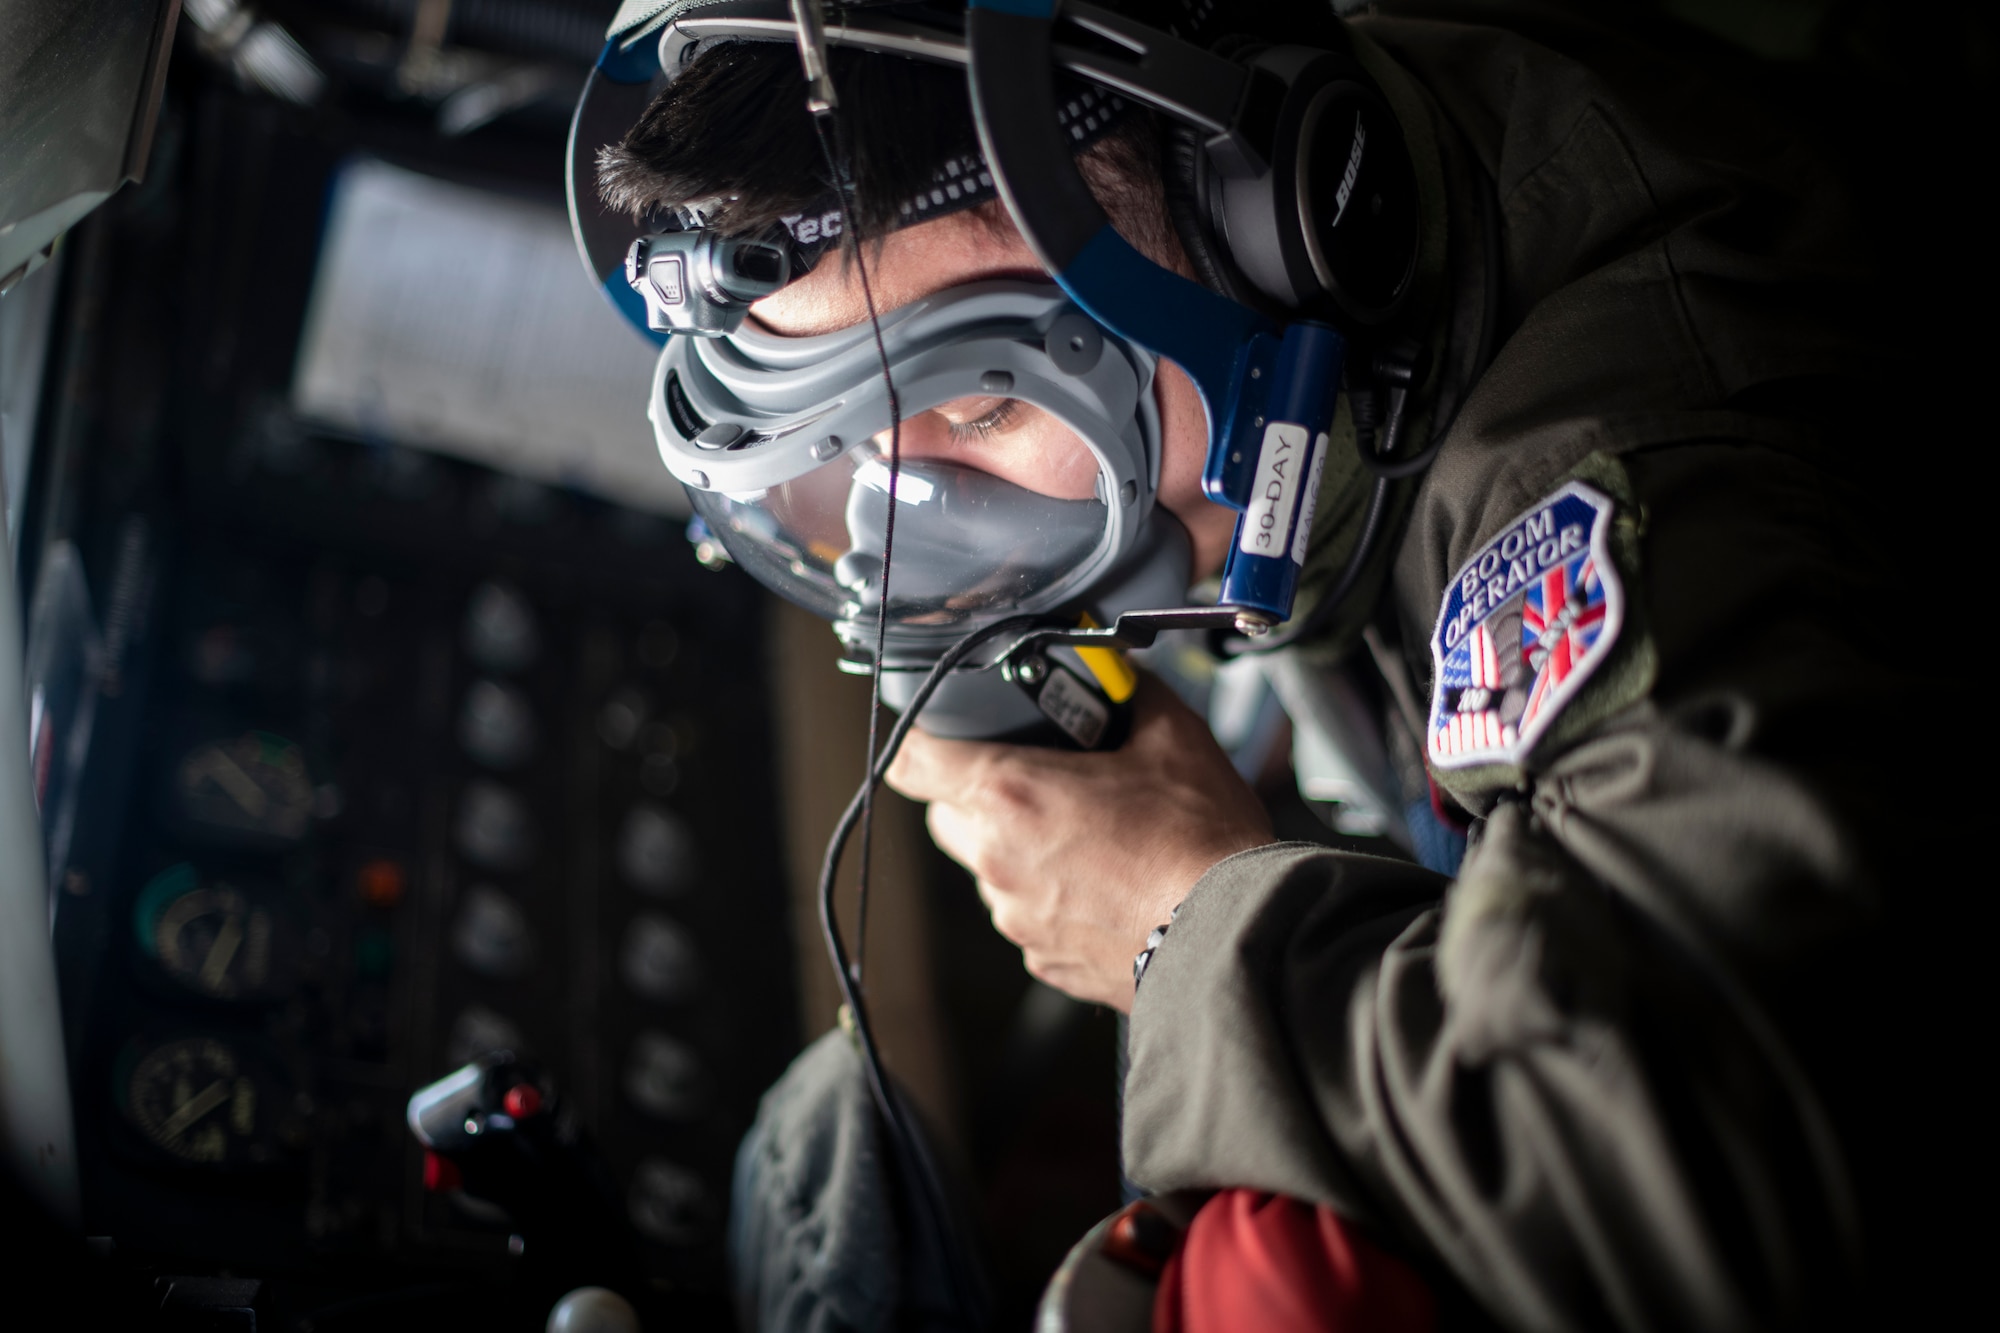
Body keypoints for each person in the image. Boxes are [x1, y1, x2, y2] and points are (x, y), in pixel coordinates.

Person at [595, 1, 1950, 1328]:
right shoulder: (1377, 285)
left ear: (1276, 211)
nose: (926, 521)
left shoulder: (1631, 484)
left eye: (989, 401)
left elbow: (1722, 1185)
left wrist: (1181, 925)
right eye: (860, 443)